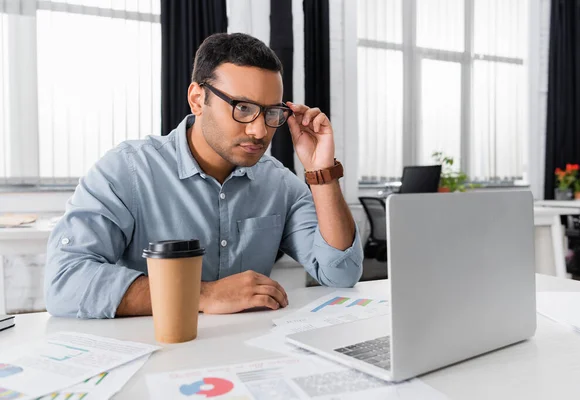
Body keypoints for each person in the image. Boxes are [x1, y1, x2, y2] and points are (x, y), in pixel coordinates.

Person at [44, 33, 363, 319]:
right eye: (242, 107)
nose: (259, 130)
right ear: (198, 99)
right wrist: (202, 294)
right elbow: (64, 281)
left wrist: (321, 171)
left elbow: (342, 273)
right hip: (155, 358)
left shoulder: (278, 183)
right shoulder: (127, 171)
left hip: (248, 358)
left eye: (271, 112)